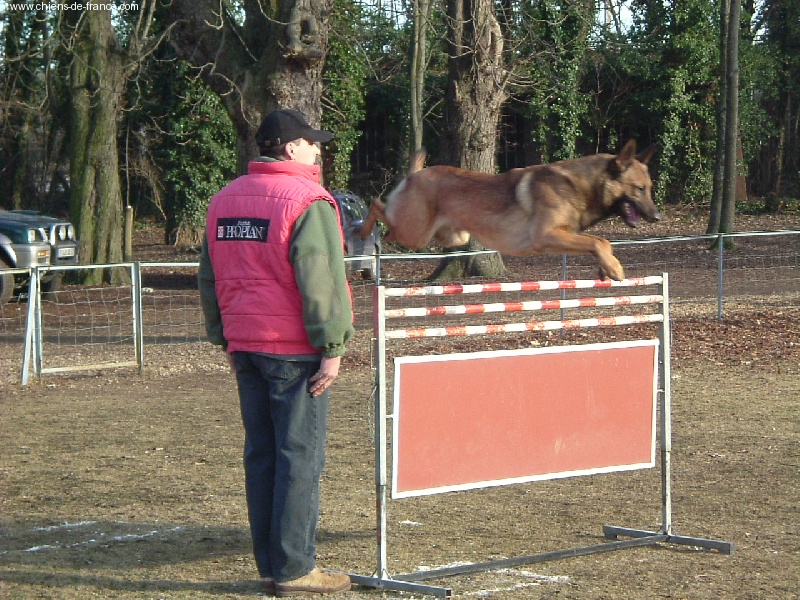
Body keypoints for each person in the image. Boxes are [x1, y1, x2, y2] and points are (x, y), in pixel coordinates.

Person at [198, 108, 354, 597]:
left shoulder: (223, 200)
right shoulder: (308, 201)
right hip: (293, 350)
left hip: (245, 345)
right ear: (290, 148)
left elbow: (210, 275)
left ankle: (270, 566)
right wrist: (333, 344)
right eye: (312, 143)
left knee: (262, 456)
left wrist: (223, 336)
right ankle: (295, 569)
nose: (319, 150)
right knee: (299, 457)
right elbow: (321, 279)